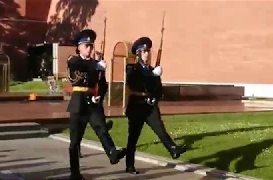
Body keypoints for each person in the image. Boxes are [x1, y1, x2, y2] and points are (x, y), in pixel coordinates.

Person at [67, 29, 126, 180]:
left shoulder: (96, 64)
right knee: (75, 141)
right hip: (78, 102)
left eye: (91, 46)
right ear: (79, 47)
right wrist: (96, 66)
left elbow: (103, 85)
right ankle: (75, 174)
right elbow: (77, 65)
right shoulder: (73, 60)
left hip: (92, 102)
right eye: (87, 45)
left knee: (101, 128)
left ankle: (112, 153)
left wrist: (98, 96)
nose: (90, 49)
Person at [125, 37, 186, 174]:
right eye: (145, 51)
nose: (148, 54)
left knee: (160, 128)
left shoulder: (153, 70)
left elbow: (158, 89)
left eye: (148, 51)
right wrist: (152, 75)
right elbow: (135, 84)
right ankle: (129, 165)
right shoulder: (132, 68)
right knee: (133, 137)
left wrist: (156, 97)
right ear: (139, 53)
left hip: (150, 106)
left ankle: (173, 149)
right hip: (137, 106)